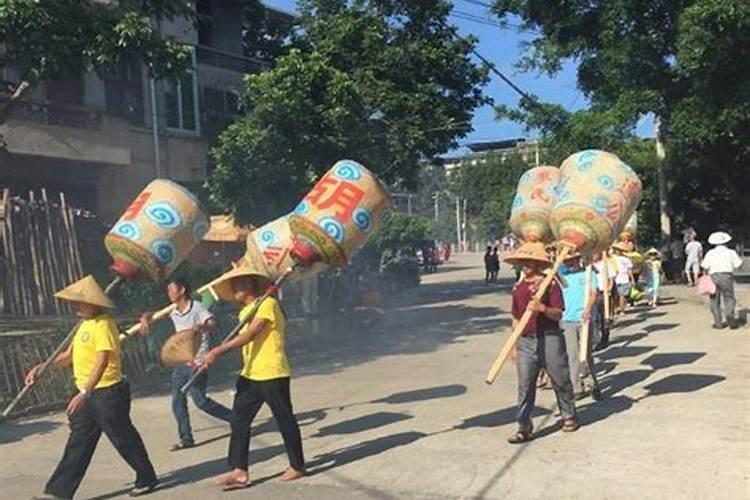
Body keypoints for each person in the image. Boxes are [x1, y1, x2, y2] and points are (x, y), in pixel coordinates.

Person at [25, 276, 158, 499]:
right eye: (73, 303)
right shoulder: (83, 326)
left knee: (122, 437)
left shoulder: (104, 324)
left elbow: (102, 360)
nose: (75, 307)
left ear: (94, 303)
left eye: (80, 302)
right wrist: (42, 368)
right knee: (79, 441)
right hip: (87, 393)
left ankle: (146, 477)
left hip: (108, 392)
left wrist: (85, 392)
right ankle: (58, 492)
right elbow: (68, 357)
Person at [203, 263, 305, 489]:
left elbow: (250, 334)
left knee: (284, 419)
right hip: (250, 374)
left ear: (252, 284)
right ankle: (239, 470)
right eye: (233, 284)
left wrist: (217, 351)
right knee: (239, 420)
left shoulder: (268, 304)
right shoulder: (245, 311)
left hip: (272, 372)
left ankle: (297, 465)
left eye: (240, 282)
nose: (235, 287)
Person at [139, 278, 232, 451]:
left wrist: (201, 326)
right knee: (177, 401)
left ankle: (235, 419)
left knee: (200, 401)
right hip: (181, 362)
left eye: (171, 289)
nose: (169, 293)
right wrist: (145, 319)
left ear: (181, 290)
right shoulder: (172, 310)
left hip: (198, 361)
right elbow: (151, 314)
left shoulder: (196, 307)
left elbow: (212, 323)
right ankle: (186, 438)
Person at [504, 242, 578, 444]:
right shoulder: (518, 288)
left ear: (537, 263)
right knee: (525, 385)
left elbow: (558, 314)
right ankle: (524, 427)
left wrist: (542, 308)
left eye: (529, 261)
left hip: (550, 337)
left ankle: (568, 415)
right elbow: (516, 318)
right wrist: (513, 346)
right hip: (526, 342)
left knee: (560, 379)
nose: (525, 265)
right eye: (522, 261)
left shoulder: (550, 284)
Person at [559, 254, 596, 398]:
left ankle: (592, 383)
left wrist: (588, 309)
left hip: (584, 319)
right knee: (571, 354)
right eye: (566, 260)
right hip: (567, 320)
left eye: (571, 259)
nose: (569, 262)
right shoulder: (562, 275)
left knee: (586, 354)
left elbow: (593, 294)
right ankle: (576, 388)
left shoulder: (587, 273)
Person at [701, 231, 744, 329]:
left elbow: (704, 266)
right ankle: (730, 318)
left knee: (714, 299)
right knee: (729, 297)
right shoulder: (731, 252)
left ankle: (718, 322)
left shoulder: (710, 253)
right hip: (726, 275)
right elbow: (738, 265)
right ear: (726, 242)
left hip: (713, 276)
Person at [611, 243, 634, 315]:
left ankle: (619, 309)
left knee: (620, 295)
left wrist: (632, 279)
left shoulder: (624, 259)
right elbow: (629, 270)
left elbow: (629, 270)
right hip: (617, 278)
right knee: (618, 295)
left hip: (621, 278)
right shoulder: (613, 258)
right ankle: (619, 309)